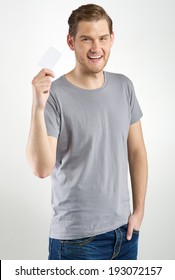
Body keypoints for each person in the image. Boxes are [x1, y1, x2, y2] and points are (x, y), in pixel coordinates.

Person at [26, 3, 148, 260]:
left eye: (103, 38)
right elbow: (41, 168)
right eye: (86, 39)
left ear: (112, 39)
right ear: (71, 42)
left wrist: (139, 212)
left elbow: (136, 152)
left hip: (124, 235)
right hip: (76, 241)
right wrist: (38, 107)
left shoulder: (124, 86)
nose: (96, 48)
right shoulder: (54, 95)